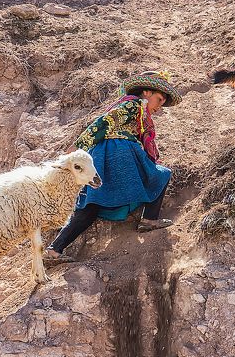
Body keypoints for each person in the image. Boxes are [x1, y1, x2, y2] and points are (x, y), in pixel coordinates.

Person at [46, 71, 181, 262]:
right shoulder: (134, 105)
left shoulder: (136, 109)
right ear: (147, 92)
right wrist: (77, 146)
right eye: (159, 100)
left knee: (92, 204)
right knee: (161, 175)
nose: (159, 107)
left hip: (103, 155)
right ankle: (149, 219)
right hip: (119, 153)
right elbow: (104, 122)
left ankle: (54, 250)